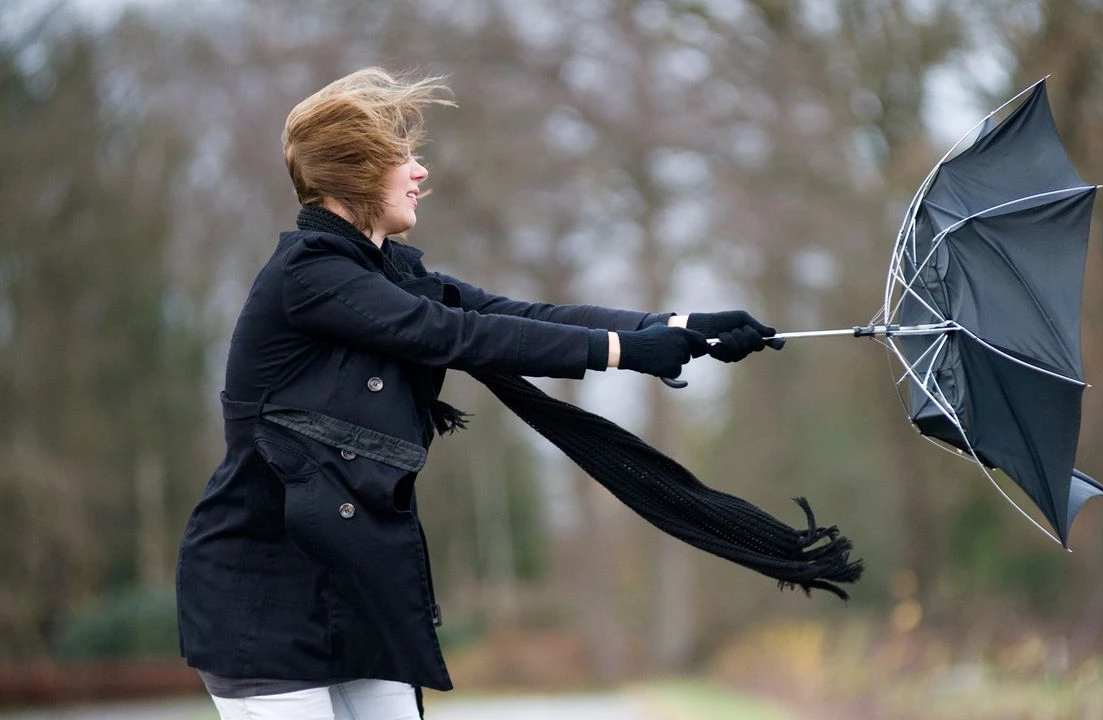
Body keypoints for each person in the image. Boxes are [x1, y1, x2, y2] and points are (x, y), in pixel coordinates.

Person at [175, 67, 783, 720]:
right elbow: (451, 334)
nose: (420, 173)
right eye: (402, 157)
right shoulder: (309, 277)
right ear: (358, 171)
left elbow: (517, 315)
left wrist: (674, 328)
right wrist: (621, 352)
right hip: (263, 600)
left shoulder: (387, 273)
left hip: (355, 595)